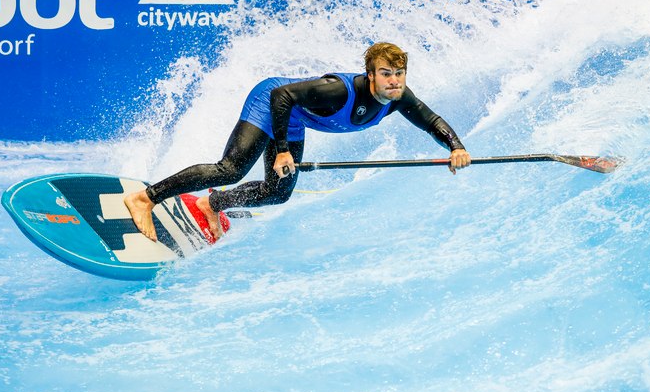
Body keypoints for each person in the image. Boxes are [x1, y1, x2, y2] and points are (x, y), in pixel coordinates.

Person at [124, 42, 471, 242]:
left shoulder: (399, 98)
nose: (394, 82)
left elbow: (432, 121)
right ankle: (145, 198)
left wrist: (455, 146)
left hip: (295, 117)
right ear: (370, 75)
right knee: (232, 169)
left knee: (278, 193)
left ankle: (210, 206)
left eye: (399, 74)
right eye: (385, 74)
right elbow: (281, 95)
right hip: (272, 103)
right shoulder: (338, 90)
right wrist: (282, 150)